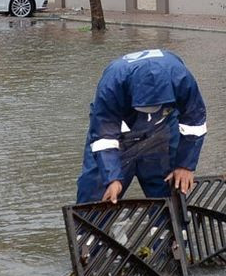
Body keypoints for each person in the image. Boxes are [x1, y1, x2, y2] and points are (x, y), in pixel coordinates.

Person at [76, 48, 207, 205]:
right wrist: (112, 178)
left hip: (161, 132)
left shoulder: (181, 78)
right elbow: (104, 136)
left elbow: (194, 122)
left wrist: (185, 165)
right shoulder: (112, 83)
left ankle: (167, 227)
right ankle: (92, 227)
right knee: (97, 197)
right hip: (118, 135)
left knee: (171, 189)